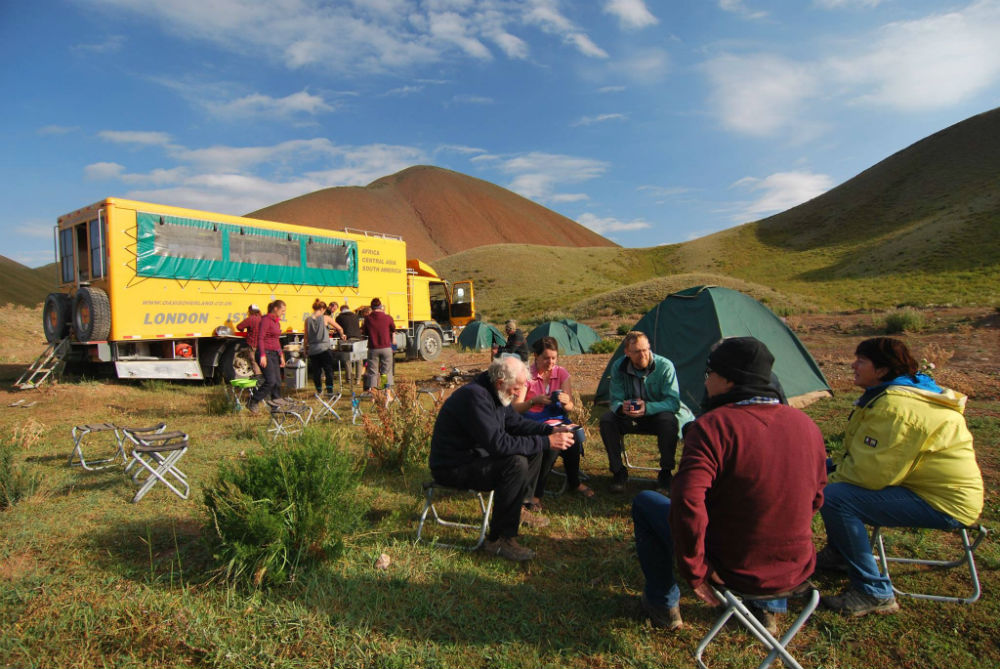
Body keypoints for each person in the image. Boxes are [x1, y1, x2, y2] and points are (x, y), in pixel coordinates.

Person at [632, 337, 826, 631]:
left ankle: (662, 603)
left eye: (709, 374)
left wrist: (696, 570)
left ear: (728, 380)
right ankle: (763, 609)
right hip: (795, 569)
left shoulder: (713, 427)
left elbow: (686, 502)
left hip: (733, 566)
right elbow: (816, 497)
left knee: (646, 503)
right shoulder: (807, 426)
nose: (706, 382)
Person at [818, 337, 984, 616]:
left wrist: (818, 483)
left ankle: (874, 592)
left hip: (942, 502)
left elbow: (869, 476)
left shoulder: (896, 407)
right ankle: (841, 555)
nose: (853, 365)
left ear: (882, 370)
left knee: (835, 498)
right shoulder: (897, 394)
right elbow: (861, 458)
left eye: (861, 361)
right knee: (825, 475)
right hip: (923, 486)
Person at [429, 356, 575, 561]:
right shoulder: (476, 397)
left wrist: (549, 430)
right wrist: (547, 441)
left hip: (476, 457)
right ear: (500, 383)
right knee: (515, 463)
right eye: (516, 389)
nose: (518, 394)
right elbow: (498, 444)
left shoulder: (496, 391)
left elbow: (516, 423)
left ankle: (518, 506)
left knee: (533, 447)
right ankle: (499, 540)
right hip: (453, 467)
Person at [600, 331, 695, 492]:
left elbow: (673, 402)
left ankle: (665, 473)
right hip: (631, 415)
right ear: (627, 353)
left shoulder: (665, 366)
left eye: (646, 349)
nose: (643, 355)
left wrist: (647, 407)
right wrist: (622, 408)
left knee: (668, 421)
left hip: (657, 415)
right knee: (607, 420)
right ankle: (618, 472)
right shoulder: (619, 367)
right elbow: (615, 399)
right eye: (637, 351)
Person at [513, 336, 594, 502]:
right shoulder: (526, 375)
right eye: (546, 358)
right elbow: (516, 407)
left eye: (554, 358)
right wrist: (533, 401)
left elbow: (570, 407)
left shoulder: (562, 373)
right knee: (551, 445)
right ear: (536, 355)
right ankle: (536, 492)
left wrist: (566, 402)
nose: (550, 362)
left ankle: (574, 482)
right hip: (534, 421)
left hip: (558, 419)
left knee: (573, 438)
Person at [247, 300, 286, 413]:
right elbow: (260, 338)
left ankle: (275, 405)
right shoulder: (265, 320)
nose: (283, 313)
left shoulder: (276, 322)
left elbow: (276, 340)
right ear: (275, 309)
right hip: (265, 353)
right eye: (282, 311)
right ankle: (253, 401)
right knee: (271, 381)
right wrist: (262, 355)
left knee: (278, 381)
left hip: (274, 354)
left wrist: (281, 355)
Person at [303, 299, 345, 395]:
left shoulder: (307, 320)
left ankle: (319, 390)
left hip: (313, 349)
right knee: (328, 369)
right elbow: (339, 328)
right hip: (324, 348)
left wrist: (305, 349)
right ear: (322, 309)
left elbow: (306, 337)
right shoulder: (326, 318)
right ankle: (329, 390)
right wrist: (342, 335)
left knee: (316, 371)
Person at [363, 298, 396, 392]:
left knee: (372, 372)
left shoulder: (368, 319)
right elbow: (393, 328)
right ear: (380, 306)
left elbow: (365, 332)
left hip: (373, 348)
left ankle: (374, 395)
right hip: (386, 347)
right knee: (386, 372)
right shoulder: (388, 317)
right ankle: (387, 393)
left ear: (371, 307)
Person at [235, 304, 262, 376]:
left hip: (253, 344)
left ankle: (258, 378)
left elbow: (239, 326)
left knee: (254, 361)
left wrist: (243, 330)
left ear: (250, 311)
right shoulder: (262, 319)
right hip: (263, 344)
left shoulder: (250, 319)